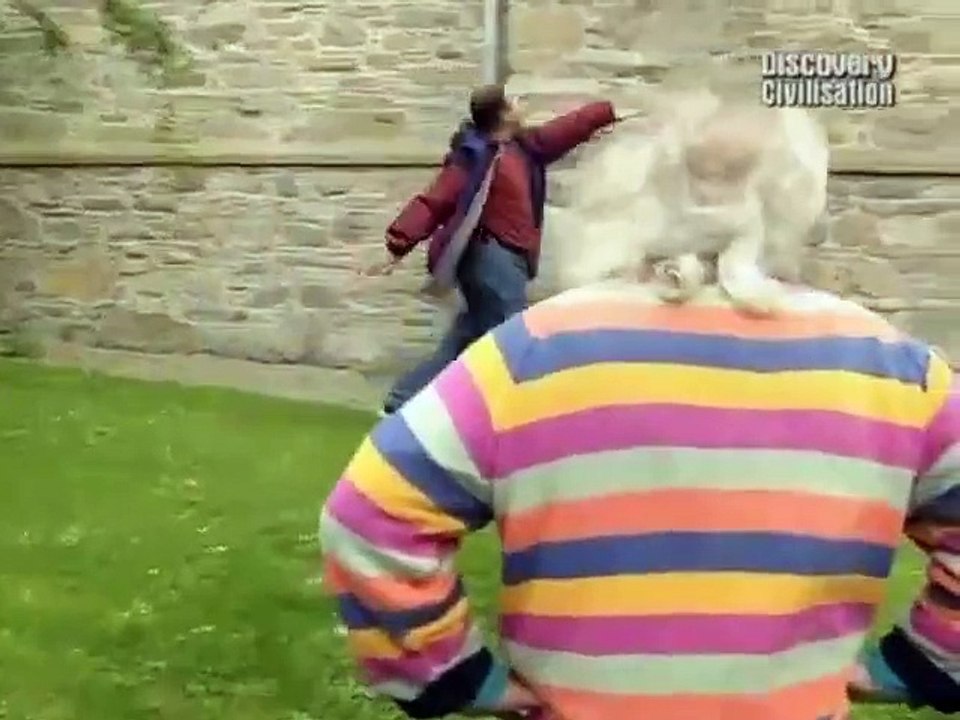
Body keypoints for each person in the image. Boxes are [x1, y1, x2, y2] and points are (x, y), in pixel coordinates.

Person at [321, 95, 959, 719]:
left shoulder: (533, 353)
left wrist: (446, 672)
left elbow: (371, 515)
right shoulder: (894, 369)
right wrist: (925, 660)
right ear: (799, 203)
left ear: (634, 194)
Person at [363, 84, 620, 415]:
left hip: (508, 261)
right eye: (513, 101)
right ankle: (522, 415)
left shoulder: (524, 149)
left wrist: (604, 111)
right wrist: (396, 246)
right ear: (502, 114)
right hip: (489, 258)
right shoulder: (474, 155)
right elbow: (434, 201)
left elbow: (562, 130)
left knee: (468, 338)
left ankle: (402, 400)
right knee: (517, 338)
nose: (520, 103)